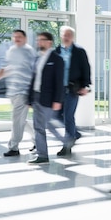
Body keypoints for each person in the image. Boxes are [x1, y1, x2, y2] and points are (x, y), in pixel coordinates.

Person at [0, 29, 37, 156]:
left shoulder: (29, 52)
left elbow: (35, 72)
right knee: (21, 120)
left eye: (19, 37)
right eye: (15, 37)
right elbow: (5, 69)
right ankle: (37, 140)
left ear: (25, 38)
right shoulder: (11, 51)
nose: (17, 39)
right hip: (13, 91)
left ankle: (13, 147)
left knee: (16, 120)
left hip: (23, 91)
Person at [52, 26, 91, 157]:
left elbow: (86, 68)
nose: (66, 37)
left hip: (72, 88)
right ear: (61, 36)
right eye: (64, 34)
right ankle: (75, 133)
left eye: (69, 34)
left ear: (72, 37)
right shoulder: (56, 51)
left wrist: (85, 85)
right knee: (56, 115)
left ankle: (67, 145)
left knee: (68, 116)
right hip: (58, 90)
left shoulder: (79, 51)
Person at [27, 32, 65, 164]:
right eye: (38, 40)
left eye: (42, 40)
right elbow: (33, 79)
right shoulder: (37, 58)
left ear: (49, 42)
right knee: (38, 127)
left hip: (49, 98)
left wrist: (57, 100)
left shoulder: (57, 59)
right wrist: (29, 98)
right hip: (37, 96)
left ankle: (68, 140)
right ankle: (42, 156)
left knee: (49, 124)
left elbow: (59, 82)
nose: (39, 42)